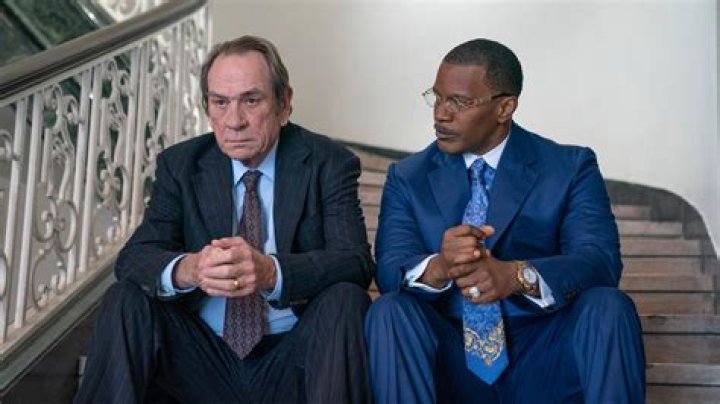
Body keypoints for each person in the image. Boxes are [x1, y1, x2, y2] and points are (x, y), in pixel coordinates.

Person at [75, 35, 374, 403]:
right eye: (221, 102)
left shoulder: (328, 162)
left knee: (346, 298)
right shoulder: (182, 165)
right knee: (125, 298)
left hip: (292, 357)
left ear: (284, 104)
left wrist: (272, 273)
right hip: (200, 359)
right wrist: (190, 269)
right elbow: (134, 258)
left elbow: (355, 261)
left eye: (251, 100)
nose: (234, 121)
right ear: (208, 107)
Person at [365, 38, 645, 403]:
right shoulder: (408, 176)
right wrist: (441, 267)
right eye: (437, 97)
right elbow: (390, 271)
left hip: (546, 354)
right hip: (448, 358)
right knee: (388, 311)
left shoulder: (569, 167)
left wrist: (516, 276)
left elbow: (600, 262)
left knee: (609, 306)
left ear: (505, 107)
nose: (441, 114)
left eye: (459, 102)